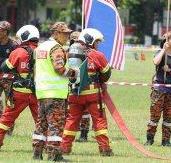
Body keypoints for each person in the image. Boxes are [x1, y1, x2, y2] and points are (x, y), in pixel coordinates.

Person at [61, 28, 113, 157]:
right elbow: (107, 74)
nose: (98, 45)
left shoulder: (70, 53)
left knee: (71, 121)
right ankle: (105, 150)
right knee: (99, 121)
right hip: (92, 95)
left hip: (74, 94)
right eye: (97, 42)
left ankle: (64, 148)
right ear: (91, 41)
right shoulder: (96, 55)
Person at [32, 22, 77, 162]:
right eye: (64, 33)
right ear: (55, 33)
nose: (67, 36)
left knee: (41, 124)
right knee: (56, 125)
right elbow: (59, 69)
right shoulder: (56, 48)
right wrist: (74, 72)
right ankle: (54, 155)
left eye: (68, 33)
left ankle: (37, 153)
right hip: (55, 94)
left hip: (42, 92)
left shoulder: (41, 47)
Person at [0, 25, 40, 152]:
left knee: (7, 118)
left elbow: (4, 67)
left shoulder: (18, 51)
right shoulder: (41, 51)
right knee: (41, 120)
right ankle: (42, 146)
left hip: (19, 93)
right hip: (37, 94)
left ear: (24, 36)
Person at [144, 31, 171, 147]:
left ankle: (166, 140)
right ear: (166, 41)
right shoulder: (159, 53)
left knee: (168, 116)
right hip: (159, 88)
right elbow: (155, 62)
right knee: (155, 115)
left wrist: (169, 71)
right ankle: (150, 139)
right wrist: (163, 50)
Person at [68, 31, 91, 143]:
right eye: (73, 40)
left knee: (85, 112)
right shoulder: (67, 51)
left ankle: (84, 133)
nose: (75, 42)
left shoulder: (86, 52)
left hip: (83, 84)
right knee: (71, 111)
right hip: (70, 84)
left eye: (77, 40)